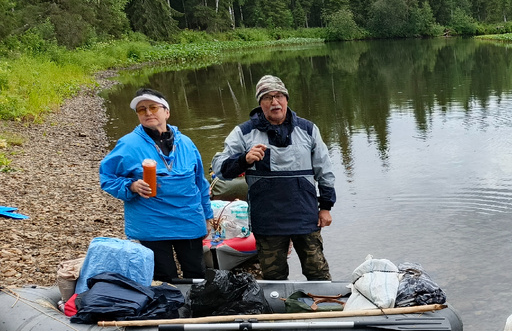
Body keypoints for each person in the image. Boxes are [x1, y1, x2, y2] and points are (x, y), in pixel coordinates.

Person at [211, 75, 336, 280]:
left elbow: (325, 171)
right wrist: (244, 159)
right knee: (273, 277)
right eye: (267, 97)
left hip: (305, 215)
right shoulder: (244, 133)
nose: (274, 102)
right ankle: (278, 311)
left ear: (286, 99)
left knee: (318, 273)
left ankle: (324, 308)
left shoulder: (308, 129)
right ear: (260, 104)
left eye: (278, 96)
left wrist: (326, 207)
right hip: (267, 219)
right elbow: (220, 169)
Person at [100, 88, 212, 282]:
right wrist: (132, 186)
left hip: (188, 219)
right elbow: (107, 178)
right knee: (163, 277)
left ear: (166, 112)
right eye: (142, 110)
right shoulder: (128, 145)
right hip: (152, 223)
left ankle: (197, 309)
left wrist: (208, 215)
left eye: (153, 107)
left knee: (197, 274)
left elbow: (200, 182)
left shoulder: (186, 143)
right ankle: (169, 311)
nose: (148, 113)